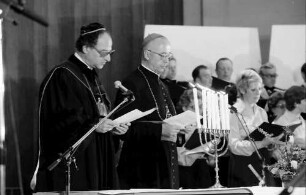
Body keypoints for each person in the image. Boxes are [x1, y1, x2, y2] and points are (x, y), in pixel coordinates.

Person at [30, 22, 130, 192]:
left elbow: (99, 115)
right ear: (85, 48)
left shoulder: (91, 76)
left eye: (110, 52)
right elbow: (59, 124)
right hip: (77, 167)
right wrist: (94, 126)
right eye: (104, 53)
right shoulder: (62, 75)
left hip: (97, 160)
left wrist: (112, 128)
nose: (108, 59)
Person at [114, 33, 182, 189]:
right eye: (163, 56)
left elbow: (168, 118)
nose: (167, 61)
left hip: (166, 160)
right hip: (143, 166)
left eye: (169, 56)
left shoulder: (162, 85)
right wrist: (159, 130)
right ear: (147, 54)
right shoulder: (132, 82)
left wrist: (181, 128)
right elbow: (121, 128)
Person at [228, 69, 284, 187]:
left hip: (262, 164)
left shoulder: (261, 112)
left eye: (259, 89)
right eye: (253, 90)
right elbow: (233, 146)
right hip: (242, 166)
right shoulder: (233, 112)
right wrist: (261, 143)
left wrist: (272, 145)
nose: (258, 93)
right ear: (242, 90)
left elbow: (266, 139)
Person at [175, 89, 215, 188]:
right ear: (184, 108)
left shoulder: (205, 127)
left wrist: (212, 155)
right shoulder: (176, 126)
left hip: (202, 172)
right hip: (183, 173)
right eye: (193, 107)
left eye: (200, 107)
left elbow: (212, 160)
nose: (198, 111)